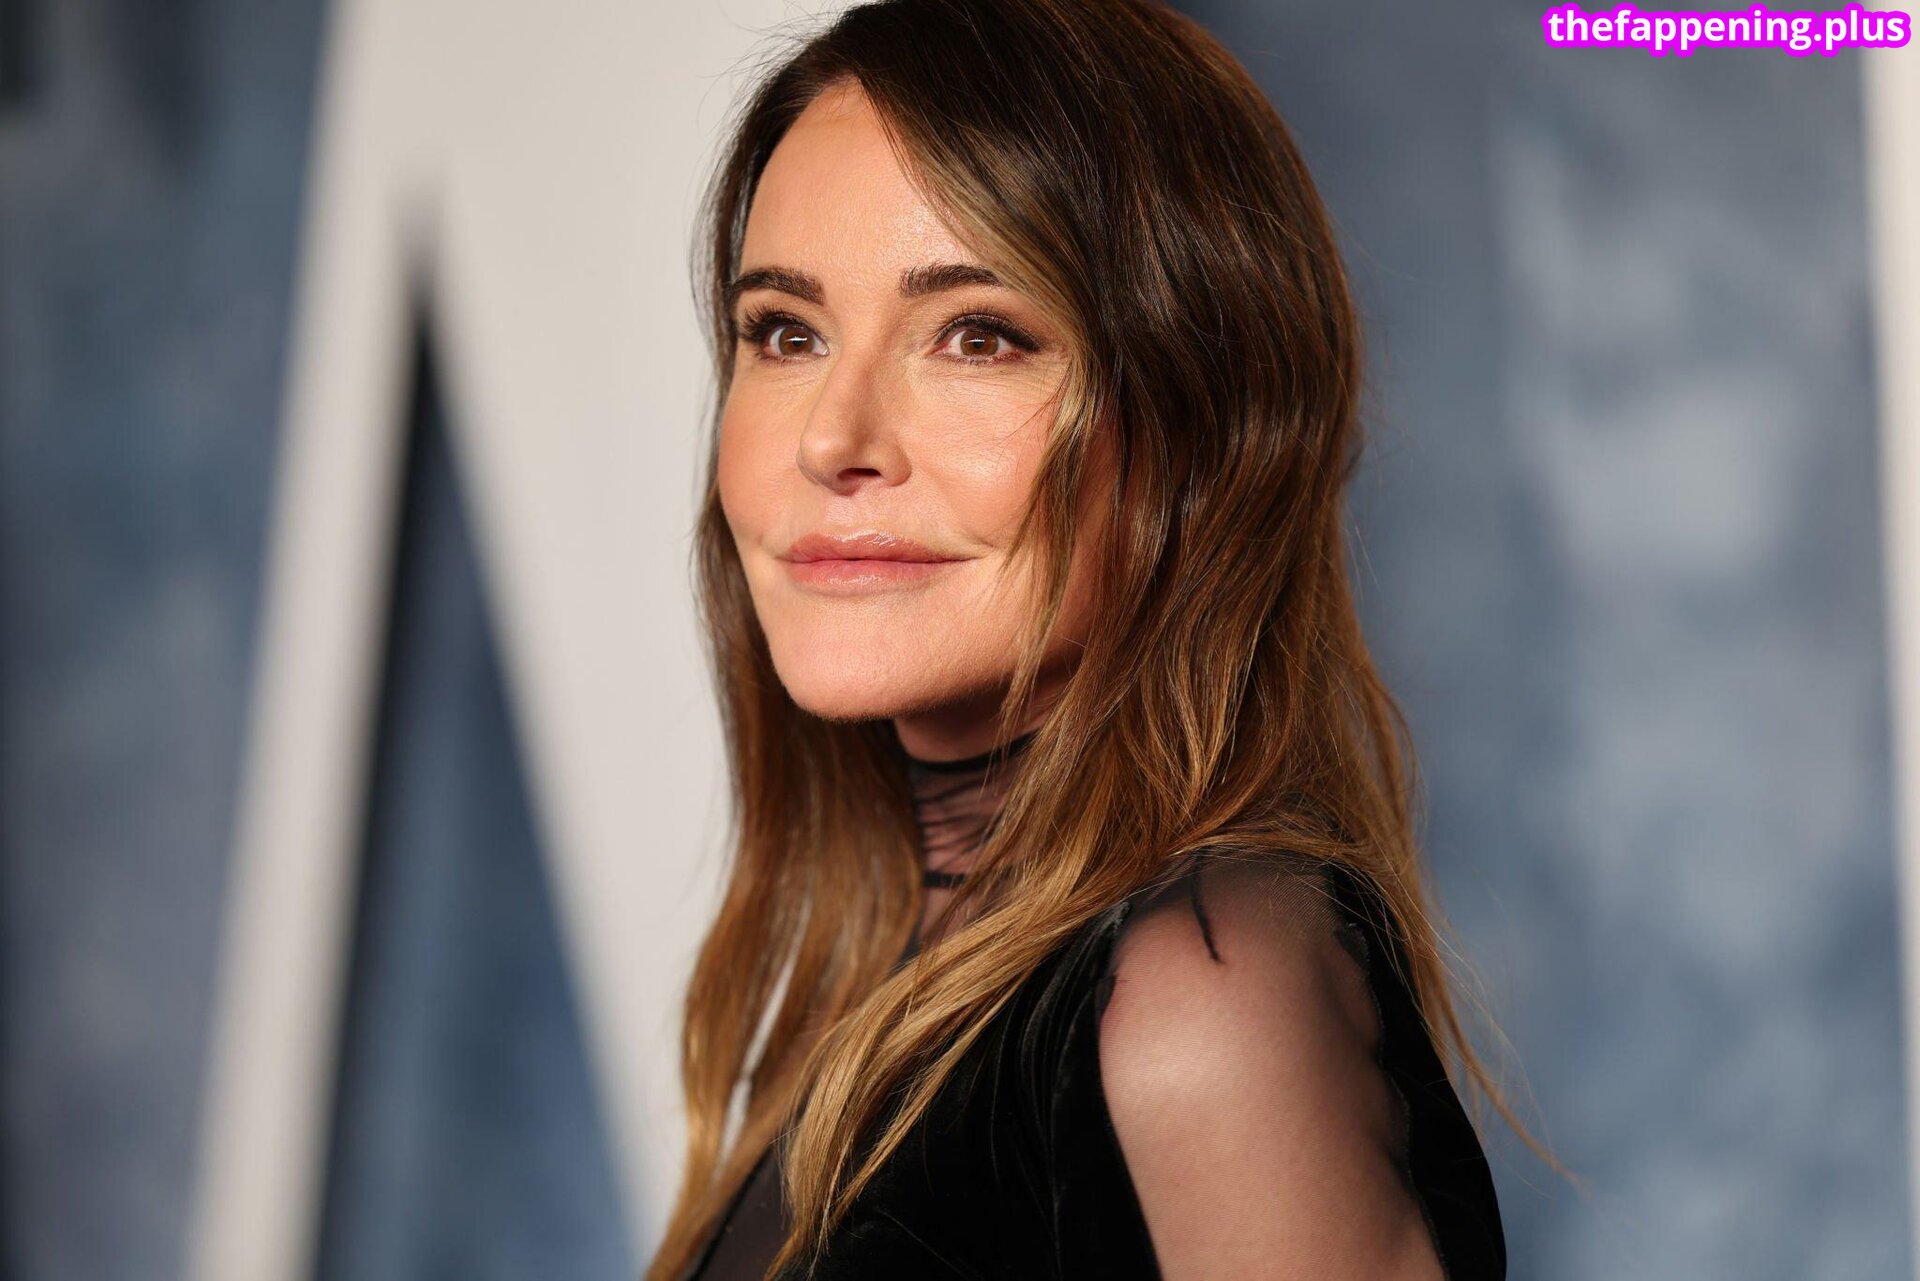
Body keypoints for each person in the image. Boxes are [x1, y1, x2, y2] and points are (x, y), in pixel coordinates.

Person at [649, 1, 1548, 1276]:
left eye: (977, 337)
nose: (831, 438)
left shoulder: (1204, 992)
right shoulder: (893, 969)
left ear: (1200, 426)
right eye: (786, 332)